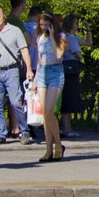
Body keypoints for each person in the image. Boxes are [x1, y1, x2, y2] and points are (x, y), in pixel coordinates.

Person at [0, 5, 33, 145]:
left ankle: (25, 131)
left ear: (4, 17)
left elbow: (24, 51)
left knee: (16, 102)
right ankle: (1, 133)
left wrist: (29, 69)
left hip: (11, 70)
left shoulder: (15, 31)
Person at [32, 12, 67, 162]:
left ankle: (58, 145)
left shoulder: (61, 36)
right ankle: (48, 149)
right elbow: (39, 59)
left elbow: (58, 55)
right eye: (41, 25)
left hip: (55, 72)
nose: (43, 27)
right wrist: (34, 79)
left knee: (49, 111)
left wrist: (52, 36)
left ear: (52, 24)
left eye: (46, 25)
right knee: (44, 115)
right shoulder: (39, 37)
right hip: (42, 72)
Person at [59, 15, 84, 138]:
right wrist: (80, 56)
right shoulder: (71, 38)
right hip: (70, 71)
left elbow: (88, 42)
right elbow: (79, 55)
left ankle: (66, 128)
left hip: (63, 69)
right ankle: (67, 129)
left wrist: (88, 30)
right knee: (69, 99)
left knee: (65, 99)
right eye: (76, 23)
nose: (77, 25)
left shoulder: (64, 36)